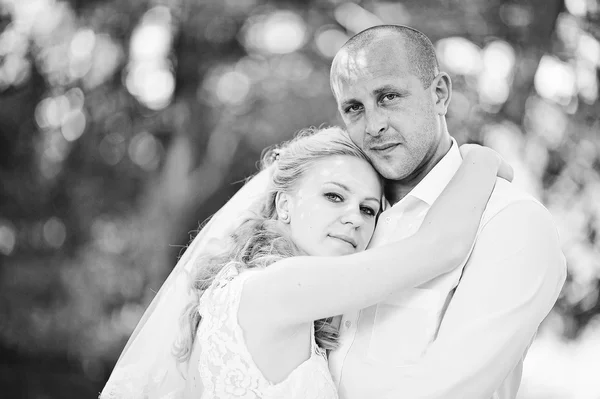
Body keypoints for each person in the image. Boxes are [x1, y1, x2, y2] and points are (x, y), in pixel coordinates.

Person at [100, 126, 511, 399]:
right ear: (284, 204)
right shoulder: (285, 285)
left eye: (369, 210)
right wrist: (480, 158)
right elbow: (440, 248)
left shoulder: (241, 287)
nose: (354, 216)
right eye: (334, 196)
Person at [328, 25, 567, 399]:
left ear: (439, 94)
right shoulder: (340, 219)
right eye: (354, 108)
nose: (373, 125)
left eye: (389, 96)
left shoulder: (510, 222)